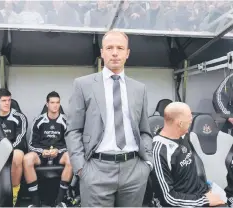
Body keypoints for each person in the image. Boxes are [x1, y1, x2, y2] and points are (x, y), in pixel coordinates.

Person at [65, 30, 152, 207]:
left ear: (127, 53)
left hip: (134, 171)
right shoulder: (83, 85)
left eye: (120, 48)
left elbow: (145, 130)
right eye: (109, 47)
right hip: (95, 169)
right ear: (102, 52)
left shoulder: (139, 89)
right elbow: (73, 130)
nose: (114, 52)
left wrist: (147, 164)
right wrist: (81, 168)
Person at [151, 102, 225, 207]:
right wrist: (204, 201)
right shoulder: (159, 151)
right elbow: (168, 198)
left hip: (197, 195)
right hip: (179, 203)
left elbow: (191, 174)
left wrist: (206, 191)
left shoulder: (182, 135)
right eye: (189, 121)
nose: (191, 124)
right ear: (180, 123)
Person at [23, 91, 72, 208]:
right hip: (42, 154)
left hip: (59, 154)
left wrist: (58, 151)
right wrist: (42, 152)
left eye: (58, 102)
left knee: (71, 158)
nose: (55, 105)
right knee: (27, 159)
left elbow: (71, 144)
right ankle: (35, 202)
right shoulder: (39, 120)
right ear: (47, 104)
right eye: (52, 102)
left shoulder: (66, 121)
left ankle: (59, 201)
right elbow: (31, 144)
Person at [0, 88, 27, 206]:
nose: (7, 103)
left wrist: (8, 150)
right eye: (4, 100)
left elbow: (21, 136)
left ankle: (13, 195)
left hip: (15, 148)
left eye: (9, 100)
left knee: (17, 157)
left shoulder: (19, 116)